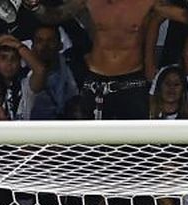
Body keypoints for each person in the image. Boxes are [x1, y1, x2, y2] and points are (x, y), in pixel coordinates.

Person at [27, 0, 159, 119]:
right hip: (97, 81)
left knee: (134, 140)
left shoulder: (146, 3)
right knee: (93, 141)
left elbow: (174, 13)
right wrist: (35, 6)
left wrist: (150, 60)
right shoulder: (90, 2)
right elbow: (56, 15)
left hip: (133, 80)